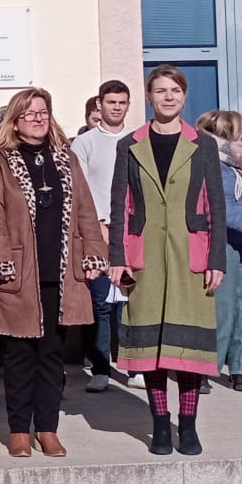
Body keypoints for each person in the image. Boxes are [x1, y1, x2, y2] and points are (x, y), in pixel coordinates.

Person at [0, 88, 106, 458]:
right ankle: (19, 430)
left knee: (51, 355)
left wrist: (93, 253)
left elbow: (85, 209)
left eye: (43, 112)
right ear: (14, 121)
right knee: (19, 355)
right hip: (19, 271)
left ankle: (47, 428)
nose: (37, 118)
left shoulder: (66, 158)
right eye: (29, 113)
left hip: (59, 272)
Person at [106, 66, 226, 456]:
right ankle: (159, 423)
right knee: (151, 347)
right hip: (145, 258)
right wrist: (117, 257)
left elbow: (216, 204)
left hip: (191, 254)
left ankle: (187, 425)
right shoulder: (129, 144)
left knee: (187, 348)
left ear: (184, 96)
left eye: (175, 90)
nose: (168, 97)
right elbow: (120, 204)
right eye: (160, 90)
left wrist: (217, 258)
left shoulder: (203, 144)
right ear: (149, 97)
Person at [196, 110, 242, 393]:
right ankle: (206, 368)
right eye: (241, 134)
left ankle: (241, 368)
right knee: (221, 309)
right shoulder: (209, 163)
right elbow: (215, 205)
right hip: (222, 241)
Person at [69, 80, 131, 393]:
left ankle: (135, 367)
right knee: (101, 303)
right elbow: (78, 190)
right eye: (111, 102)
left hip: (132, 235)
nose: (116, 107)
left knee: (131, 302)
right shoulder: (84, 143)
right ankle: (101, 368)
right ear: (99, 104)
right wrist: (97, 226)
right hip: (97, 234)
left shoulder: (138, 140)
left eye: (122, 102)